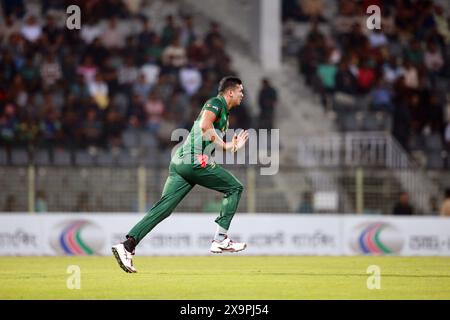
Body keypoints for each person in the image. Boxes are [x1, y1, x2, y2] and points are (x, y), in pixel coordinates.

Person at [112, 76, 249, 273]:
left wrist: (231, 148)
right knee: (235, 187)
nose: (242, 95)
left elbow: (208, 137)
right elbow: (204, 126)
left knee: (163, 208)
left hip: (181, 162)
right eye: (240, 91)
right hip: (193, 159)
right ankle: (220, 239)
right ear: (230, 92)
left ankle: (127, 245)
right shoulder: (215, 102)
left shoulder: (224, 114)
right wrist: (227, 145)